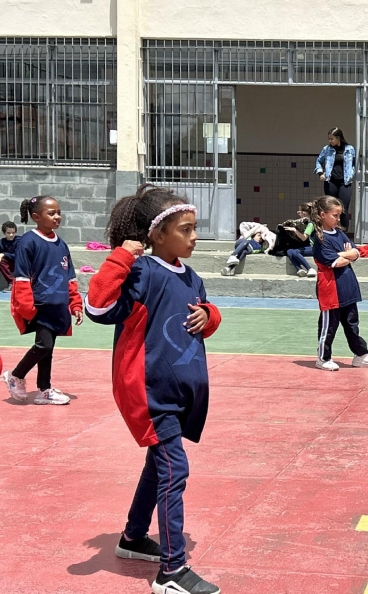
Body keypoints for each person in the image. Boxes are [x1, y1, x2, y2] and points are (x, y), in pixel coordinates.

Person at [84, 184, 222, 594]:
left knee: (158, 466)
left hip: (179, 394)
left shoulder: (191, 276)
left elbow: (205, 314)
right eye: (185, 229)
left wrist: (209, 316)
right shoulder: (141, 272)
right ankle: (171, 571)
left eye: (195, 228)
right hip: (150, 393)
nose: (194, 237)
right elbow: (98, 308)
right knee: (175, 469)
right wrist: (122, 257)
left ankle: (132, 537)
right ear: (157, 234)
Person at [3, 196, 83, 405]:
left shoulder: (62, 245)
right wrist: (27, 307)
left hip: (57, 306)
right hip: (40, 306)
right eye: (51, 213)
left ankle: (44, 390)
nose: (57, 217)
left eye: (59, 212)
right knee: (44, 346)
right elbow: (21, 277)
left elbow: (70, 277)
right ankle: (16, 375)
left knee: (48, 350)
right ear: (36, 217)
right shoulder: (28, 242)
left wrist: (75, 304)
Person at [310, 195, 368, 371]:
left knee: (352, 324)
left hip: (347, 285)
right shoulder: (320, 239)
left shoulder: (340, 233)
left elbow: (356, 253)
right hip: (331, 289)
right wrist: (345, 255)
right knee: (329, 326)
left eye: (339, 215)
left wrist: (344, 255)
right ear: (322, 215)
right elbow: (337, 262)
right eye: (334, 215)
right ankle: (323, 358)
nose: (338, 219)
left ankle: (361, 355)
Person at [315, 127, 356, 231]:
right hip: (331, 182)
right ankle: (330, 231)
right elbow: (319, 161)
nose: (330, 141)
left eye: (332, 139)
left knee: (343, 208)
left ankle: (344, 233)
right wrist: (320, 173)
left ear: (338, 138)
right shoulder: (327, 149)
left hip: (345, 182)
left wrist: (352, 173)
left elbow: (355, 164)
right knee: (330, 208)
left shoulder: (349, 149)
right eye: (329, 139)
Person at [279, 203, 317, 278]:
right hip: (310, 247)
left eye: (299, 212)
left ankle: (310, 269)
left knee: (295, 252)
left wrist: (294, 230)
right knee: (289, 251)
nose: (299, 214)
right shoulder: (307, 223)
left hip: (315, 248)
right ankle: (299, 269)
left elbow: (304, 238)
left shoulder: (311, 224)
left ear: (304, 213)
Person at [0, 220, 20, 290]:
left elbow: (18, 255)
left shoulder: (19, 241)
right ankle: (11, 283)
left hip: (19, 264)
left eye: (13, 233)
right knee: (1, 260)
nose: (11, 235)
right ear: (4, 233)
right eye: (8, 233)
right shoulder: (2, 242)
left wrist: (4, 254)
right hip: (7, 265)